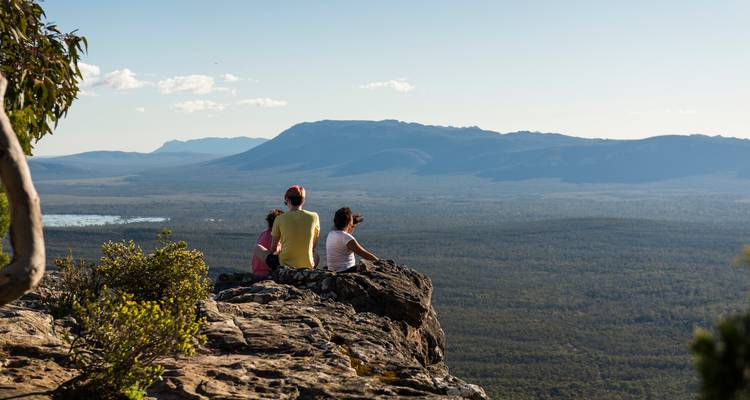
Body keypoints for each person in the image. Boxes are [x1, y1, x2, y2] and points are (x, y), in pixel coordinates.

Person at [254, 185, 320, 270]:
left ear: (288, 200)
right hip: (307, 265)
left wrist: (279, 250)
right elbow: (313, 246)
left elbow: (273, 249)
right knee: (316, 256)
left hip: (284, 266)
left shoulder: (280, 218)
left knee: (257, 248)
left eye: (285, 203)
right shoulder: (314, 217)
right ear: (303, 201)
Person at [326, 207, 378, 273]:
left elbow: (342, 232)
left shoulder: (331, 233)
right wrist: (380, 262)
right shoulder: (346, 238)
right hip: (346, 270)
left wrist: (350, 223)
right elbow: (363, 253)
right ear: (349, 222)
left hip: (332, 270)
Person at [250, 208, 283, 278]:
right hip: (268, 274)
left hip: (256, 272)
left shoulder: (263, 234)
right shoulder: (276, 238)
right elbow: (275, 252)